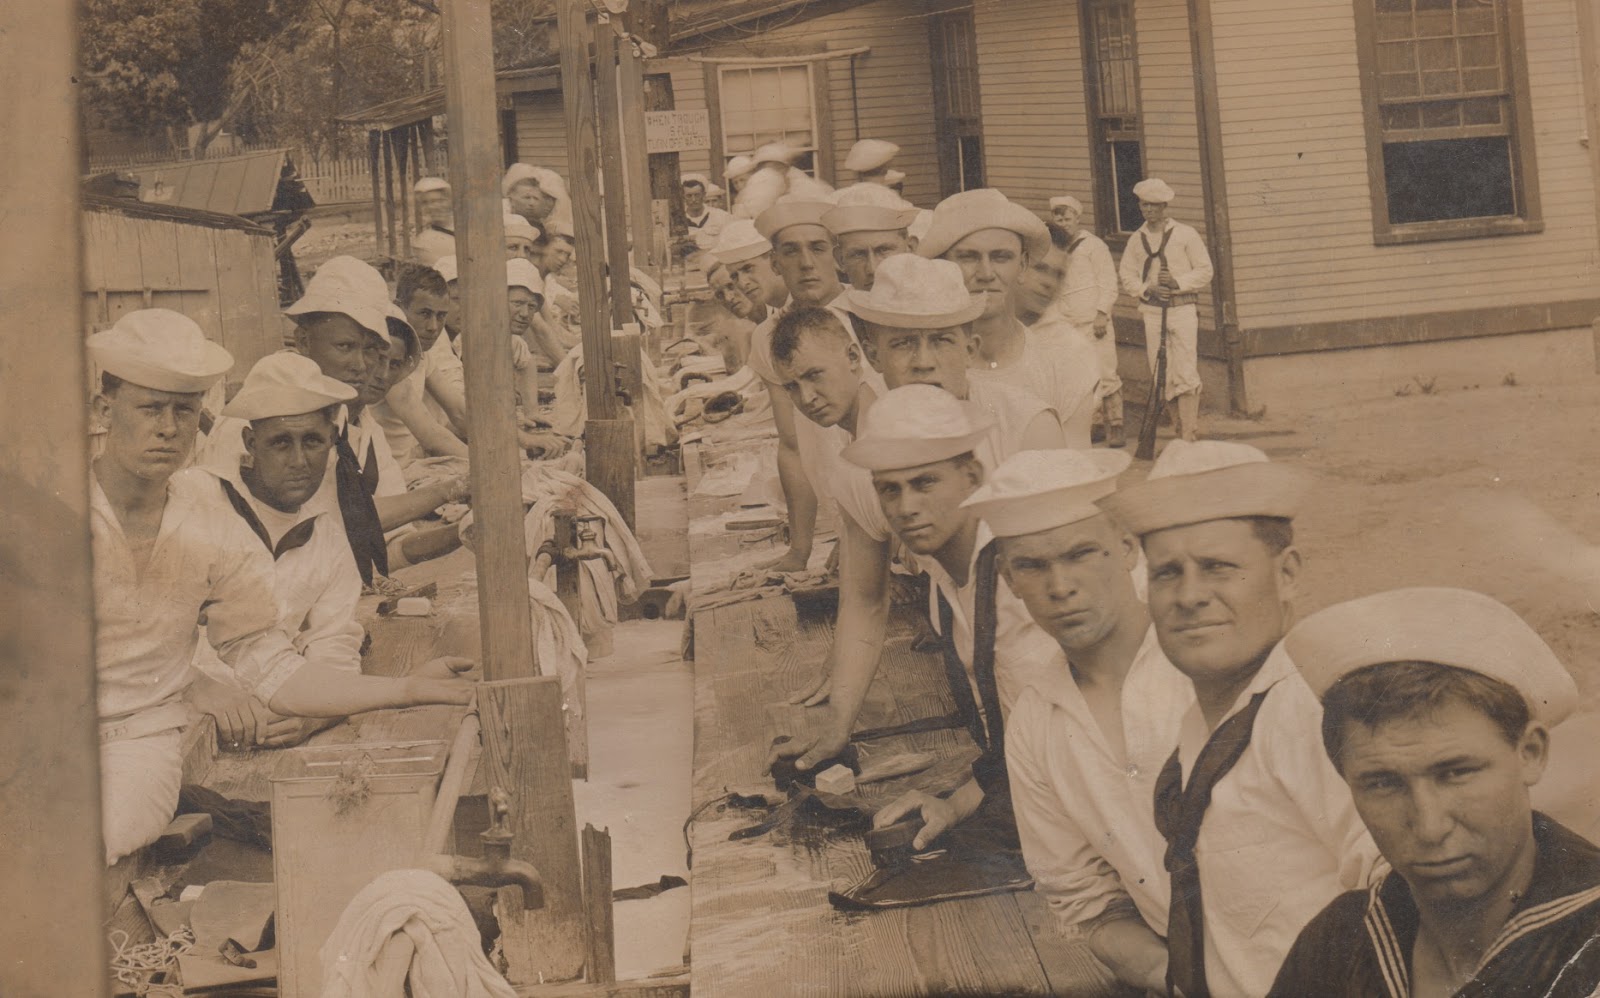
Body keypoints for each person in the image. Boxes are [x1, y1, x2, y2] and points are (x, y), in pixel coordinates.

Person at [89, 310, 474, 864]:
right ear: (105, 410)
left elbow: (268, 664)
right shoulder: (47, 512)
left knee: (97, 839)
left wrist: (408, 689)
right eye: (150, 408)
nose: (169, 428)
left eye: (185, 408)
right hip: (37, 733)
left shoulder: (205, 520)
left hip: (138, 743)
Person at [1096, 439, 1380, 998]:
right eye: (1167, 573)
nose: (1190, 596)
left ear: (1288, 574)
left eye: (1218, 567)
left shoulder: (1307, 711)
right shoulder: (1207, 723)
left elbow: (1403, 895)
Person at [773, 253, 1064, 758]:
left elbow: (1068, 594)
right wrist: (838, 722)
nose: (924, 361)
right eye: (904, 343)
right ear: (872, 353)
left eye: (943, 340)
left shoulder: (1026, 427)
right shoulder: (863, 461)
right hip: (975, 657)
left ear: (970, 348)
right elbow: (865, 600)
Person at [1270, 588, 1598, 998]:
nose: (1428, 827)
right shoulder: (1339, 941)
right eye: (1383, 783)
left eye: (1456, 773)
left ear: (1530, 753)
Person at [965, 448, 1191, 992]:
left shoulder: (1198, 666)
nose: (1059, 586)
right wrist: (1179, 981)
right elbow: (1091, 906)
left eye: (1081, 553)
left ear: (1128, 548)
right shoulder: (1035, 723)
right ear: (1008, 580)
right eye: (1032, 565)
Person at [839, 386, 1062, 847]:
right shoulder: (944, 573)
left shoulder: (1018, 576)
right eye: (889, 490)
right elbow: (1018, 746)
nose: (906, 508)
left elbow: (1060, 751)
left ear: (973, 476)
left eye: (925, 483)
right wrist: (955, 803)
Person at [197, 256, 470, 585]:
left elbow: (388, 547)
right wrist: (454, 488)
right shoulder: (268, 411)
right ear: (303, 342)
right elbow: (345, 521)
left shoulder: (353, 422)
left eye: (372, 350)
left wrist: (463, 534)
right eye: (345, 347)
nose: (362, 365)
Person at [188, 353, 366, 748]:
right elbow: (139, 634)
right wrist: (202, 688)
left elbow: (335, 647)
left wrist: (313, 718)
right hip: (178, 713)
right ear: (251, 442)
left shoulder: (327, 538)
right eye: (281, 443)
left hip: (270, 726)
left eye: (313, 442)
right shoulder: (195, 500)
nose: (299, 462)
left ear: (332, 441)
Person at [919, 189, 1099, 449]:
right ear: (941, 266)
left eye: (1001, 257)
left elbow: (1075, 473)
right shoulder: (921, 366)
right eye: (968, 257)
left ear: (1023, 265)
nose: (986, 273)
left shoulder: (1064, 363)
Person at [746, 196, 856, 574]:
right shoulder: (767, 337)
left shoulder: (870, 316)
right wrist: (799, 550)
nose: (806, 263)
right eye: (791, 252)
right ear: (775, 263)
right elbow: (792, 446)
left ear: (837, 254)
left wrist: (861, 535)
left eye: (818, 248)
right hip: (835, 510)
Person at [1118, 178, 1213, 443]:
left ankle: (1189, 432)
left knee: (1185, 369)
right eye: (1143, 205)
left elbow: (1205, 270)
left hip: (1181, 310)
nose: (1147, 210)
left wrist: (1178, 284)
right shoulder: (1137, 239)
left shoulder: (1185, 234)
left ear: (1164, 207)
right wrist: (1146, 290)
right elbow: (1126, 274)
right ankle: (1177, 427)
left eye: (1153, 205)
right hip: (1152, 311)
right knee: (1162, 371)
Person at [1011, 222, 1110, 450]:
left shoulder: (1071, 349)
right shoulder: (980, 335)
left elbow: (1075, 447)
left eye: (1059, 274)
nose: (1049, 283)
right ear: (1018, 265)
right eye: (1040, 269)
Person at [1046, 196, 1124, 447]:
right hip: (1067, 322)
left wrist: (1102, 313)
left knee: (1105, 371)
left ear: (1077, 219)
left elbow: (1108, 281)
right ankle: (1095, 423)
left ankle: (1116, 424)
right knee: (1079, 375)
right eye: (1058, 218)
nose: (1063, 223)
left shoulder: (1093, 245)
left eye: (1067, 218)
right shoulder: (1053, 249)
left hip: (1093, 320)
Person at [372, 262, 468, 463]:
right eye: (424, 313)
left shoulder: (421, 352)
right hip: (390, 475)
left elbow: (459, 411)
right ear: (398, 307)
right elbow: (431, 437)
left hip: (409, 465)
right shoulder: (388, 357)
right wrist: (489, 467)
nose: (433, 327)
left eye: (441, 316)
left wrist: (519, 440)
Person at [822, 184, 920, 292]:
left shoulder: (935, 305)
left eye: (883, 250)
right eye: (858, 254)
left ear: (910, 249)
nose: (873, 269)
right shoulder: (833, 309)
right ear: (840, 260)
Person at [710, 219, 787, 326]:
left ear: (775, 261)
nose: (742, 283)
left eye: (747, 269)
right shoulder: (771, 321)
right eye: (734, 276)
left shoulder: (810, 306)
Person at [682, 172, 734, 250]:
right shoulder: (678, 220)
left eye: (697, 195)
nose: (693, 200)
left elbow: (732, 241)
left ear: (704, 195)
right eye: (689, 196)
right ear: (683, 197)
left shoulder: (722, 216)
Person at [411, 177, 455, 266]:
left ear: (450, 201)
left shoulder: (470, 229)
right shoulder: (423, 242)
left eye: (439, 201)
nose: (432, 207)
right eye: (425, 203)